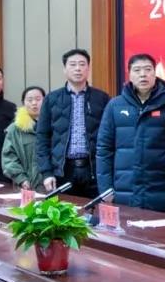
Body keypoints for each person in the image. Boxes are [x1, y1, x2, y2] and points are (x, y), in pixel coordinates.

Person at [95, 53, 165, 212]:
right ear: (129, 74)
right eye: (137, 70)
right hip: (123, 193)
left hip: (163, 194)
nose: (143, 74)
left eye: (147, 69)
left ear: (155, 73)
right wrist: (105, 188)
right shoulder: (115, 105)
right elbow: (104, 149)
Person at [36, 48, 110, 197]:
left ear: (88, 68)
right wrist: (46, 172)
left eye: (82, 64)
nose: (78, 68)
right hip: (63, 171)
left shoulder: (102, 98)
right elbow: (42, 138)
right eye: (72, 64)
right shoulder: (52, 99)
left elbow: (110, 138)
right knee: (64, 210)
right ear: (64, 69)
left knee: (95, 211)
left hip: (93, 170)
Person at [2, 86, 47, 191]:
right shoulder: (15, 129)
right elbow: (9, 158)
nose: (34, 103)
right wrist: (21, 179)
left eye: (38, 99)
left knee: (53, 202)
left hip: (50, 187)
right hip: (25, 188)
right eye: (30, 100)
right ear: (23, 103)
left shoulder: (54, 126)